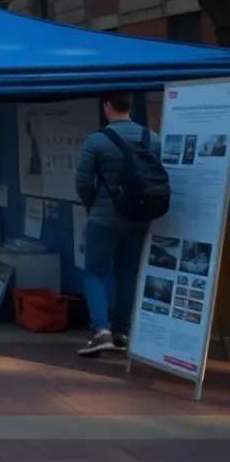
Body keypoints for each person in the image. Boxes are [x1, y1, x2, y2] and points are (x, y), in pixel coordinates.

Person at [74, 92, 160, 357]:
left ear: (107, 106)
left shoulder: (97, 140)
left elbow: (83, 182)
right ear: (130, 106)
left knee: (95, 272)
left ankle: (101, 331)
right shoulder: (152, 139)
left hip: (104, 217)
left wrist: (93, 205)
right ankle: (122, 330)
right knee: (127, 273)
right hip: (140, 217)